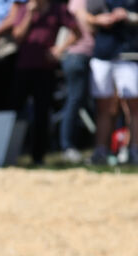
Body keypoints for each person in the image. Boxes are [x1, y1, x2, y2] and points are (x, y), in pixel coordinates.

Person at [85, 0, 138, 165]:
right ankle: (101, 151)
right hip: (103, 53)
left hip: (130, 54)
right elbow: (86, 16)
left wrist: (131, 17)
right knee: (103, 107)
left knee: (134, 107)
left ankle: (135, 151)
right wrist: (98, 20)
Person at [7, 0, 81, 164]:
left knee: (42, 113)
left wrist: (59, 49)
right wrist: (29, 14)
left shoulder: (58, 9)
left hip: (45, 69)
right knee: (15, 111)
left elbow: (77, 32)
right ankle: (8, 154)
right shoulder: (24, 9)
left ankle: (38, 156)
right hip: (23, 68)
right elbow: (17, 36)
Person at [60, 0, 96, 162]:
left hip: (87, 56)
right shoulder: (78, 2)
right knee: (74, 101)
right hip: (77, 56)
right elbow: (88, 28)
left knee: (82, 101)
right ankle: (67, 145)